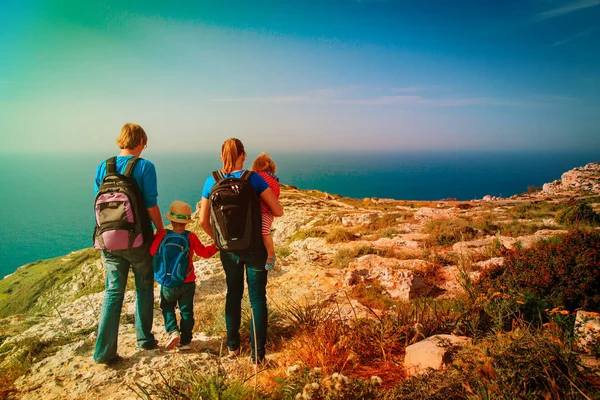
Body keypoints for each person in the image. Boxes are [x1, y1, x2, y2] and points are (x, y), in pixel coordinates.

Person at [199, 138, 283, 364]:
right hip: (255, 248)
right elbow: (278, 210)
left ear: (221, 156)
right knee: (257, 298)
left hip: (229, 251)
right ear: (243, 156)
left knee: (233, 294)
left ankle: (233, 347)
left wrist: (220, 242)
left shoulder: (211, 180)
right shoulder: (253, 179)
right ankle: (258, 356)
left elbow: (203, 222)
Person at [93, 123, 165, 365]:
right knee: (144, 287)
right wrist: (161, 229)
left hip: (108, 240)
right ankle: (144, 339)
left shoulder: (103, 166)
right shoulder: (145, 166)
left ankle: (103, 353)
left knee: (113, 292)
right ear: (141, 142)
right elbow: (150, 204)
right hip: (137, 240)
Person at [150, 200, 217, 349]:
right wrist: (217, 246)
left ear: (171, 220)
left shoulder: (162, 235)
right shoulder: (190, 236)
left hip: (168, 281)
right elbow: (204, 253)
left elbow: (152, 252)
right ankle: (186, 341)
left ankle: (173, 331)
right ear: (186, 222)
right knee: (186, 311)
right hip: (187, 281)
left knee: (167, 307)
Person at [251, 153, 281, 270]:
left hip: (263, 212)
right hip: (267, 212)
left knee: (264, 231)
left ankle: (271, 254)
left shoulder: (258, 177)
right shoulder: (274, 179)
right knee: (263, 231)